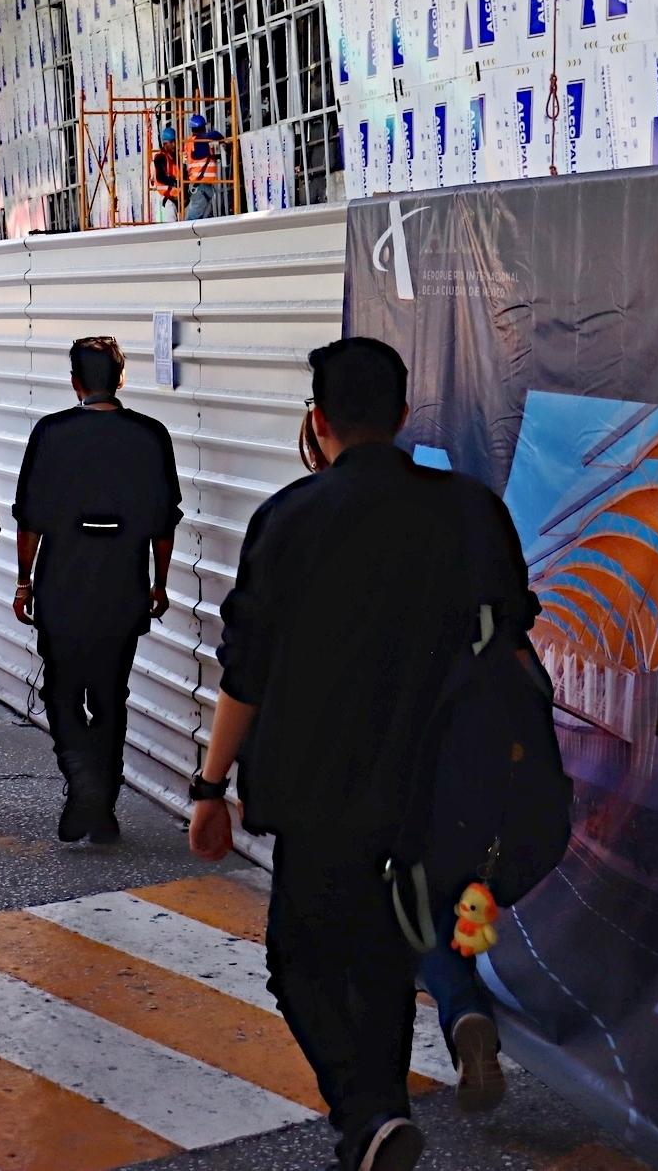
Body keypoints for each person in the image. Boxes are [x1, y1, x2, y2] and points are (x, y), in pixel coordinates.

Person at [188, 338, 532, 1171]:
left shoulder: (290, 517)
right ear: (403, 414)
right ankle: (374, 1127)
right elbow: (515, 647)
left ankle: (366, 1110)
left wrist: (209, 784)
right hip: (440, 786)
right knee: (386, 956)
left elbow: (245, 671)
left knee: (299, 959)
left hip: (319, 789)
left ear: (318, 420)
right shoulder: (472, 511)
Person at [12, 336, 181, 844]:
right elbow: (164, 522)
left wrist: (24, 581)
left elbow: (29, 518)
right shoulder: (151, 434)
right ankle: (101, 806)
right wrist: (159, 582)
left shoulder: (52, 432)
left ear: (75, 382)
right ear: (121, 379)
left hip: (62, 584)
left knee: (62, 690)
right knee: (110, 695)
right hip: (123, 585)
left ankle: (83, 783)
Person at [185, 114, 228, 220]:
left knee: (201, 220)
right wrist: (223, 141)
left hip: (202, 186)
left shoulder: (193, 142)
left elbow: (204, 158)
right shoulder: (199, 140)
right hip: (200, 186)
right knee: (192, 220)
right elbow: (215, 134)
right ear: (203, 128)